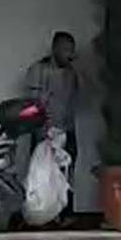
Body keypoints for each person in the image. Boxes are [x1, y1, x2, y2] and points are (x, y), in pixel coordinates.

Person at [25, 31, 82, 220]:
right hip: (45, 131)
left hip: (67, 130)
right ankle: (43, 216)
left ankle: (66, 215)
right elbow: (34, 103)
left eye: (71, 50)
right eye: (65, 49)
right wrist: (43, 130)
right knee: (42, 176)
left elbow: (73, 101)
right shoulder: (38, 70)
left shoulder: (72, 73)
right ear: (55, 48)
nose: (69, 54)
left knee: (67, 174)